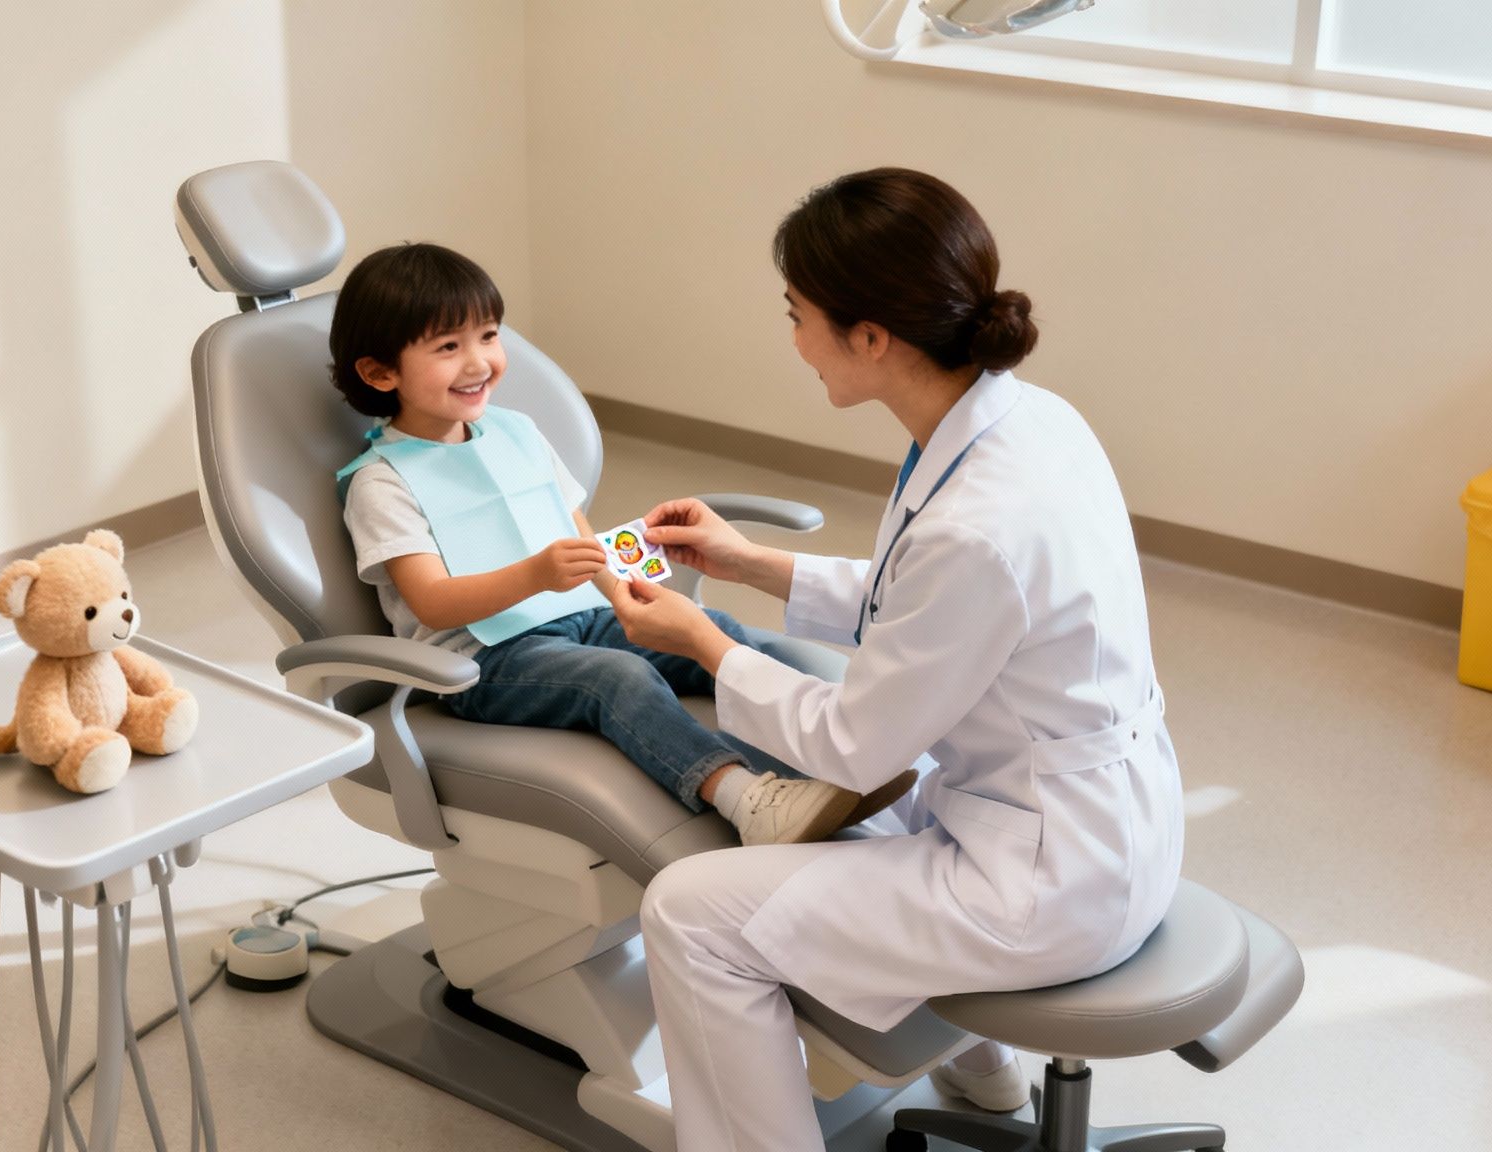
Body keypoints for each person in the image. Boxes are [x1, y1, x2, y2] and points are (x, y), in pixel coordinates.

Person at [606, 168, 1185, 1150]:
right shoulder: (1028, 422)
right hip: (1109, 823)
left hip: (1042, 883)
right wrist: (751, 564)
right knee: (854, 826)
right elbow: (923, 606)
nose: (791, 340)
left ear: (869, 336)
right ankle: (988, 1083)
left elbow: (850, 741)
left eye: (796, 315)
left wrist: (700, 639)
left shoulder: (977, 522)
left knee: (691, 915)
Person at [328, 242, 915, 846]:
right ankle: (748, 801)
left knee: (710, 630)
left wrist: (622, 593)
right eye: (449, 347)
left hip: (582, 613)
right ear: (380, 372)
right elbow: (430, 602)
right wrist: (536, 576)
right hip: (483, 662)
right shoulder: (381, 482)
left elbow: (573, 524)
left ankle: (839, 752)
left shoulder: (515, 431)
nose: (479, 361)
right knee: (617, 681)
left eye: (488, 335)